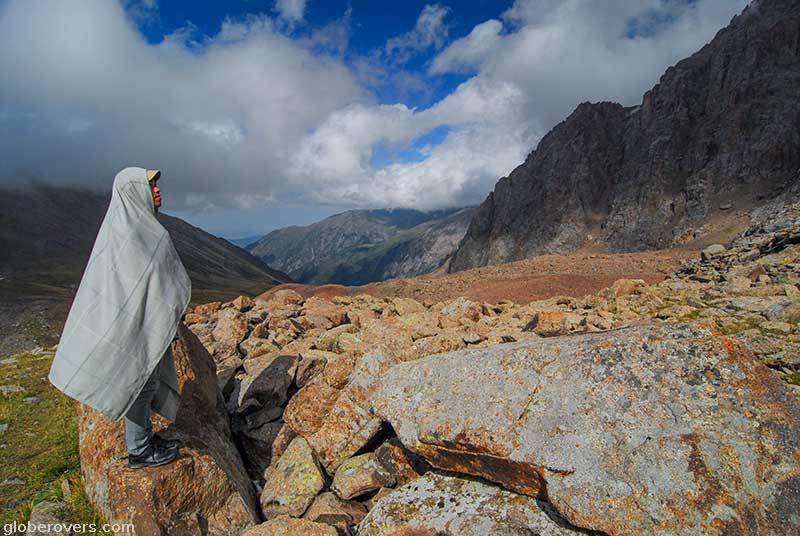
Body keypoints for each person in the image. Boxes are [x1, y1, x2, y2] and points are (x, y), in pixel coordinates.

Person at [48, 167, 192, 469]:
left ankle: (143, 440)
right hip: (127, 325)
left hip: (135, 322)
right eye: (149, 185)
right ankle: (139, 450)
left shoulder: (130, 226)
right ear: (133, 191)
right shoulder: (134, 232)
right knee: (137, 383)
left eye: (155, 185)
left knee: (143, 382)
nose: (157, 190)